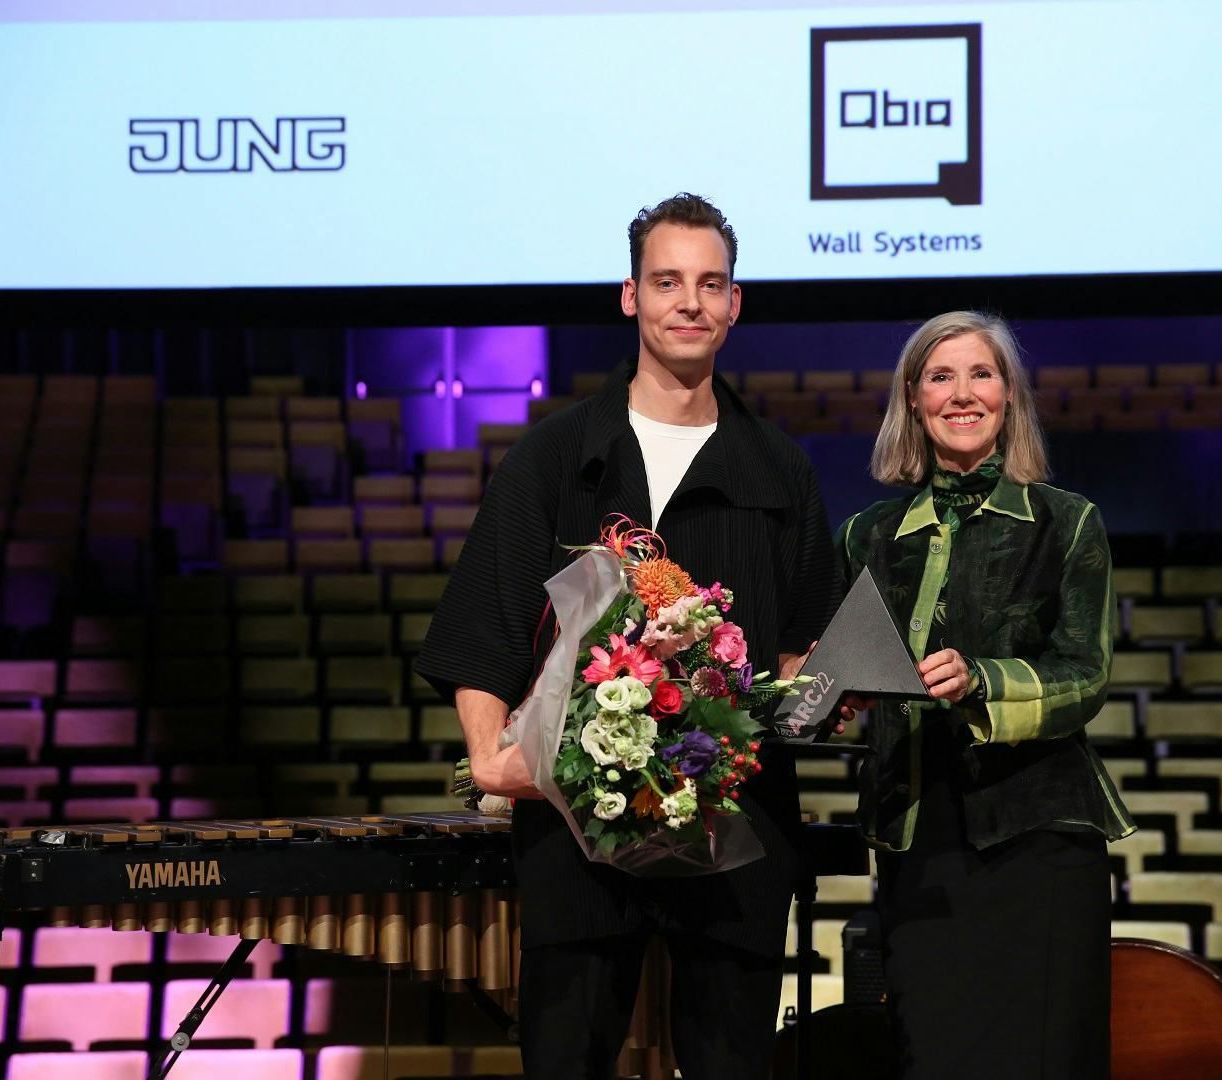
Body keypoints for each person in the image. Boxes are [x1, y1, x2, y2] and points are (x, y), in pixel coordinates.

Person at [415, 193, 839, 1080]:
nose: (690, 302)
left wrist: (836, 683)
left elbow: (802, 646)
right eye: (667, 281)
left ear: (734, 304)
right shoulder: (553, 456)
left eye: (710, 284)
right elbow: (487, 619)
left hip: (737, 831)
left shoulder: (780, 471)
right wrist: (489, 758)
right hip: (576, 835)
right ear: (630, 295)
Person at [833, 311, 1135, 1079]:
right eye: (941, 376)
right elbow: (839, 668)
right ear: (913, 398)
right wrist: (833, 697)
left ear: (1009, 395)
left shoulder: (1068, 523)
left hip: (1040, 840)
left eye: (982, 374)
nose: (962, 393)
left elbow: (1085, 675)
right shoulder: (866, 535)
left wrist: (981, 681)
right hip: (917, 841)